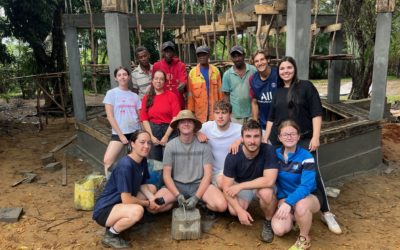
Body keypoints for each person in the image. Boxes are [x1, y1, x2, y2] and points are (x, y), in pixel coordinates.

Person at [264, 56, 342, 234]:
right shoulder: (277, 93)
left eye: (289, 68)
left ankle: (326, 212)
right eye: (282, 69)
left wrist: (316, 136)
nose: (285, 71)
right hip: (281, 139)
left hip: (305, 138)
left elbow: (316, 113)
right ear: (279, 72)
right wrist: (266, 138)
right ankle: (291, 209)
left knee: (314, 175)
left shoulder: (306, 87)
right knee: (283, 174)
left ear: (294, 69)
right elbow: (271, 118)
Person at [150, 110, 227, 214]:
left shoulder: (204, 145)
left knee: (221, 206)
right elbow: (166, 175)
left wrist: (196, 197)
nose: (186, 124)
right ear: (177, 125)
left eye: (189, 121)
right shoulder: (170, 145)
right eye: (182, 122)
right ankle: (174, 202)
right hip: (176, 186)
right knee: (152, 207)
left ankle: (200, 202)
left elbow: (208, 175)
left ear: (194, 125)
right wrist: (177, 195)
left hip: (198, 186)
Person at [93, 130, 160, 249]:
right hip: (105, 209)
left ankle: (126, 222)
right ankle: (111, 235)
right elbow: (127, 200)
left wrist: (152, 199)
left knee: (152, 188)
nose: (146, 146)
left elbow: (142, 183)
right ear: (132, 144)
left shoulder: (142, 159)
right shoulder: (126, 165)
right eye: (142, 142)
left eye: (149, 143)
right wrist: (148, 203)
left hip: (120, 201)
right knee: (137, 210)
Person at [222, 119, 278, 243]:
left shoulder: (268, 150)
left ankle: (268, 221)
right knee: (233, 210)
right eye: (248, 136)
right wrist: (239, 211)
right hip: (245, 187)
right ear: (242, 138)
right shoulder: (233, 156)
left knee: (267, 194)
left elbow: (269, 180)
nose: (252, 141)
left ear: (261, 137)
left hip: (260, 185)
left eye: (256, 136)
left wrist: (240, 186)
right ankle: (243, 209)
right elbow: (226, 188)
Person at [271, 120, 321, 250]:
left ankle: (304, 238)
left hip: (308, 197)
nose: (289, 137)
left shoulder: (306, 156)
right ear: (279, 137)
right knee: (279, 230)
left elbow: (306, 187)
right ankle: (299, 218)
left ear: (299, 136)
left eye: (293, 134)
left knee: (301, 205)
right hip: (285, 198)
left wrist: (289, 203)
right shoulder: (274, 155)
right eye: (285, 134)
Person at [103, 67, 141, 178]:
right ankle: (110, 187)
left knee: (135, 162)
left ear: (129, 77)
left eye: (125, 74)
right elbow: (110, 116)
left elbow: (139, 116)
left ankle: (135, 185)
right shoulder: (111, 93)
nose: (122, 77)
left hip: (135, 132)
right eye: (119, 75)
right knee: (107, 160)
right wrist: (121, 135)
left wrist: (142, 133)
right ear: (116, 78)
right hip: (119, 133)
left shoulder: (134, 96)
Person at [197, 100, 242, 189]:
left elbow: (259, 134)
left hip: (234, 172)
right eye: (217, 113)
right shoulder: (207, 127)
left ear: (230, 115)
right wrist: (198, 133)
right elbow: (190, 129)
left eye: (224, 113)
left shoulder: (238, 128)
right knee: (223, 182)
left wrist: (239, 140)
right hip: (215, 172)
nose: (220, 116)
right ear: (213, 114)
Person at [140, 70, 180, 161]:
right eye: (156, 78)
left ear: (165, 82)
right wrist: (151, 136)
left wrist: (166, 136)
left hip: (170, 130)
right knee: (155, 162)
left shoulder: (172, 96)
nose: (158, 81)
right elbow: (144, 119)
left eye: (161, 79)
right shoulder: (146, 98)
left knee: (170, 160)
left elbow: (175, 117)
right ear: (152, 80)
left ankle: (169, 176)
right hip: (153, 130)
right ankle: (157, 176)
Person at [187, 45, 224, 123]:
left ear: (208, 55)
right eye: (199, 55)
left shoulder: (216, 71)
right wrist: (191, 113)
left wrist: (222, 111)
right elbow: (190, 96)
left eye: (204, 54)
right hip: (199, 115)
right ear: (197, 57)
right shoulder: (192, 73)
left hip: (214, 114)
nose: (202, 57)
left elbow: (220, 93)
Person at [222, 45, 256, 124]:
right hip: (235, 116)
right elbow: (226, 97)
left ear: (244, 55)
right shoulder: (227, 74)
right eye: (234, 56)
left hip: (252, 114)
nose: (237, 59)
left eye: (239, 55)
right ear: (231, 58)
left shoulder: (253, 70)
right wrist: (228, 115)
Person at [152, 41, 187, 109]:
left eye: (170, 51)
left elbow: (183, 79)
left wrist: (183, 84)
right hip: (162, 101)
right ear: (163, 53)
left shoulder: (180, 65)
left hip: (178, 101)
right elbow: (153, 83)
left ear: (173, 53)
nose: (168, 54)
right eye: (166, 52)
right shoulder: (157, 65)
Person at [249, 50, 278, 131]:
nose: (260, 63)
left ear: (268, 60)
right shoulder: (252, 79)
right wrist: (255, 124)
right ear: (254, 64)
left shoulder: (278, 75)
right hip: (263, 124)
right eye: (256, 61)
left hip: (280, 124)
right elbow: (254, 102)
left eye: (262, 59)